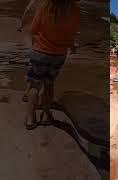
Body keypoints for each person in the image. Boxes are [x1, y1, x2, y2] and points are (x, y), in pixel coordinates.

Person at [24, 0, 80, 130]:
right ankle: (45, 115)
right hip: (59, 55)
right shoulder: (74, 9)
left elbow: (33, 29)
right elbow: (71, 35)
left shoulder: (45, 5)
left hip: (40, 52)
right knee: (49, 85)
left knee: (34, 85)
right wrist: (71, 46)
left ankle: (30, 118)